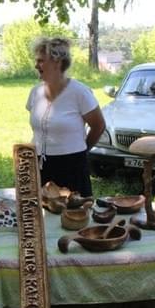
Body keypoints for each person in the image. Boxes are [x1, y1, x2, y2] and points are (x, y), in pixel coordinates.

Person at [26, 37, 105, 198]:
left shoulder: (80, 92)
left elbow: (99, 126)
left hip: (72, 167)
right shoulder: (35, 93)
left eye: (41, 61)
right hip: (40, 166)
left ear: (57, 62)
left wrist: (82, 150)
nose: (36, 65)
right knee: (43, 216)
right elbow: (39, 129)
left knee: (74, 216)